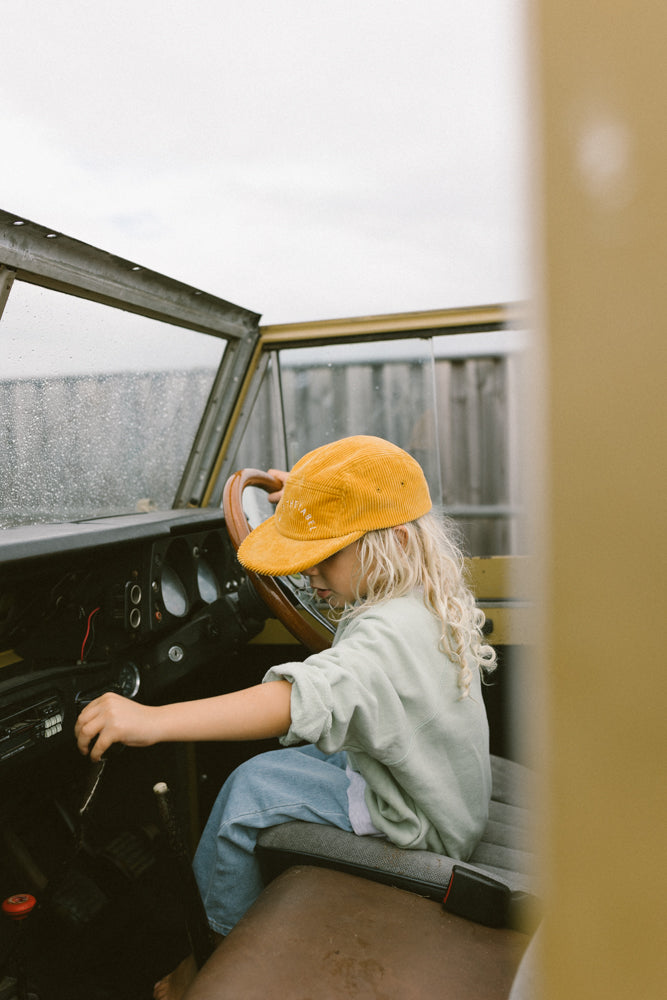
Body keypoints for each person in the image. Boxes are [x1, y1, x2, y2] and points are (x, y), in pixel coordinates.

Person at [74, 435, 496, 1000]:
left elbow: (297, 699)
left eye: (326, 554)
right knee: (283, 766)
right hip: (441, 783)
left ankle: (210, 956)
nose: (310, 573)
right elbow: (375, 497)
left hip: (424, 820)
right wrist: (304, 497)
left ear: (392, 542)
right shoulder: (419, 589)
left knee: (249, 791)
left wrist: (150, 720)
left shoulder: (385, 636)